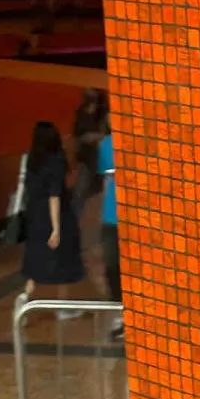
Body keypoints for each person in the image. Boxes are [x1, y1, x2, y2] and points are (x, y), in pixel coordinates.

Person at [19, 120, 85, 316]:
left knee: (36, 260)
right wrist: (56, 229)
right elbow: (54, 196)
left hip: (35, 217)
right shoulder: (56, 160)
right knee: (64, 260)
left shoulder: (32, 159)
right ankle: (63, 307)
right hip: (57, 216)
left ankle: (24, 299)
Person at [98, 129, 123, 339]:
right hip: (111, 217)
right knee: (112, 267)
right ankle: (120, 315)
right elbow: (106, 180)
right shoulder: (106, 143)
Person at [71, 88, 109, 214]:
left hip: (100, 158)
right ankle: (73, 216)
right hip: (87, 158)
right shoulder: (82, 112)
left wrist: (95, 136)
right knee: (80, 191)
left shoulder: (104, 113)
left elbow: (109, 134)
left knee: (96, 188)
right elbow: (77, 134)